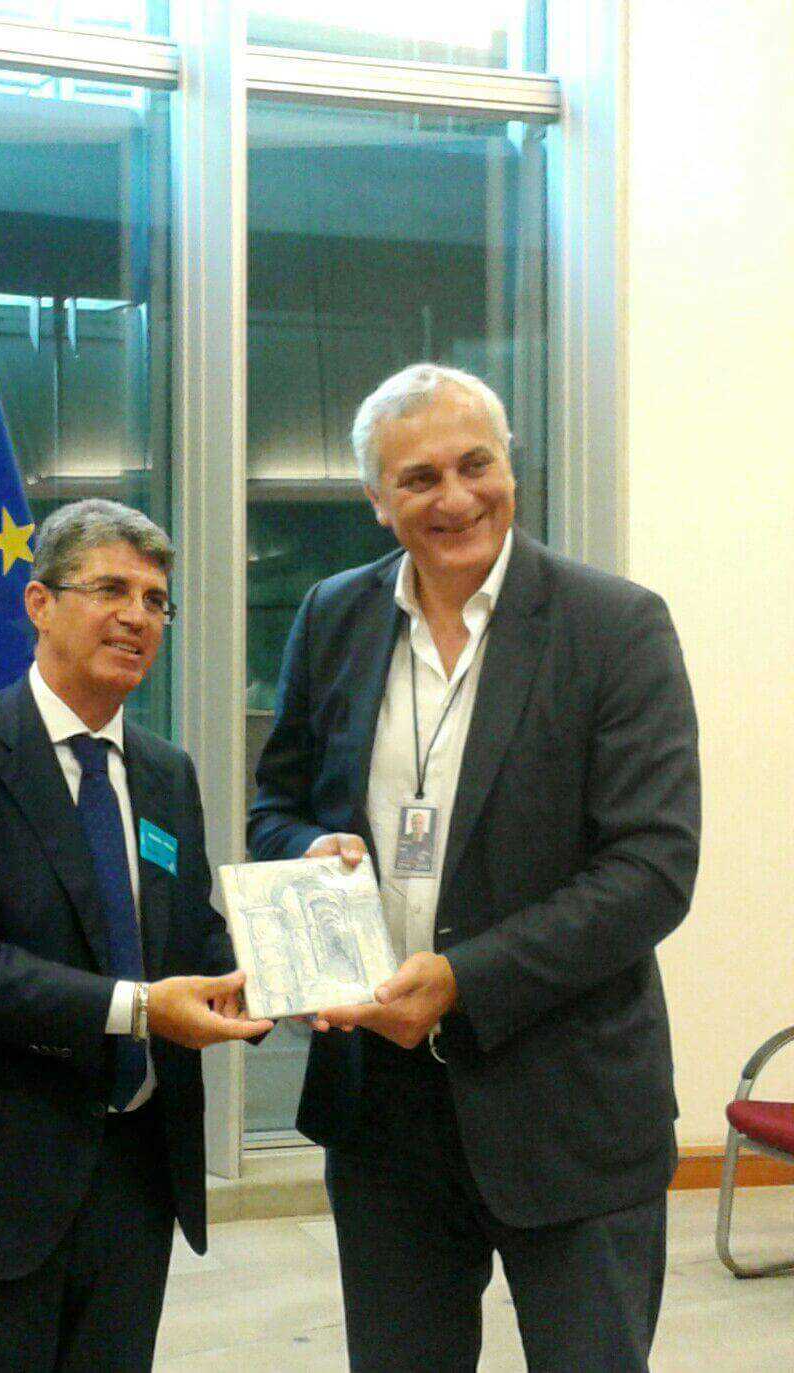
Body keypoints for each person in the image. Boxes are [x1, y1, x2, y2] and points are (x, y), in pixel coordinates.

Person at [248, 364, 700, 1372]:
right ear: (377, 499)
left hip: (570, 1102)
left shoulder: (615, 624)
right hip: (382, 1109)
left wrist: (462, 980)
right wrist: (304, 850)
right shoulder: (332, 615)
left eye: (475, 464)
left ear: (511, 469)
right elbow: (276, 805)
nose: (455, 497)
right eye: (419, 478)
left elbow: (653, 867)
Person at [0, 499, 271, 1372]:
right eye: (110, 589)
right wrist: (140, 1009)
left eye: (155, 600)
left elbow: (191, 937)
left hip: (133, 1181)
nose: (137, 616)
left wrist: (293, 967)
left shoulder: (165, 771)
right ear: (39, 603)